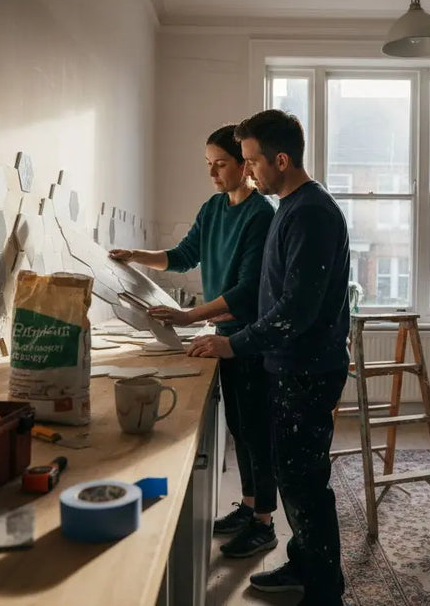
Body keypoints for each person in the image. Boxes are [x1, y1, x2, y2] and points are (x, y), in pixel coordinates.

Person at [187, 109, 351, 605]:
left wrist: (232, 342)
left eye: (253, 159)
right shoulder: (290, 207)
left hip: (308, 370)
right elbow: (274, 301)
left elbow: (294, 311)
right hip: (289, 366)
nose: (248, 168)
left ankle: (324, 593)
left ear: (281, 159)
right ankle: (304, 566)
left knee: (305, 486)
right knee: (293, 479)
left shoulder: (312, 213)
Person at [108, 124, 279, 558]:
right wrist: (135, 255)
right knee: (241, 428)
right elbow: (183, 256)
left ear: (245, 165)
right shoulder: (213, 209)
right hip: (224, 334)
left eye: (221, 165)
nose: (213, 173)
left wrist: (188, 316)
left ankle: (264, 523)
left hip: (251, 339)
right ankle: (248, 506)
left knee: (257, 431)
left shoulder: (261, 216)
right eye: (209, 165)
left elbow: (246, 290)